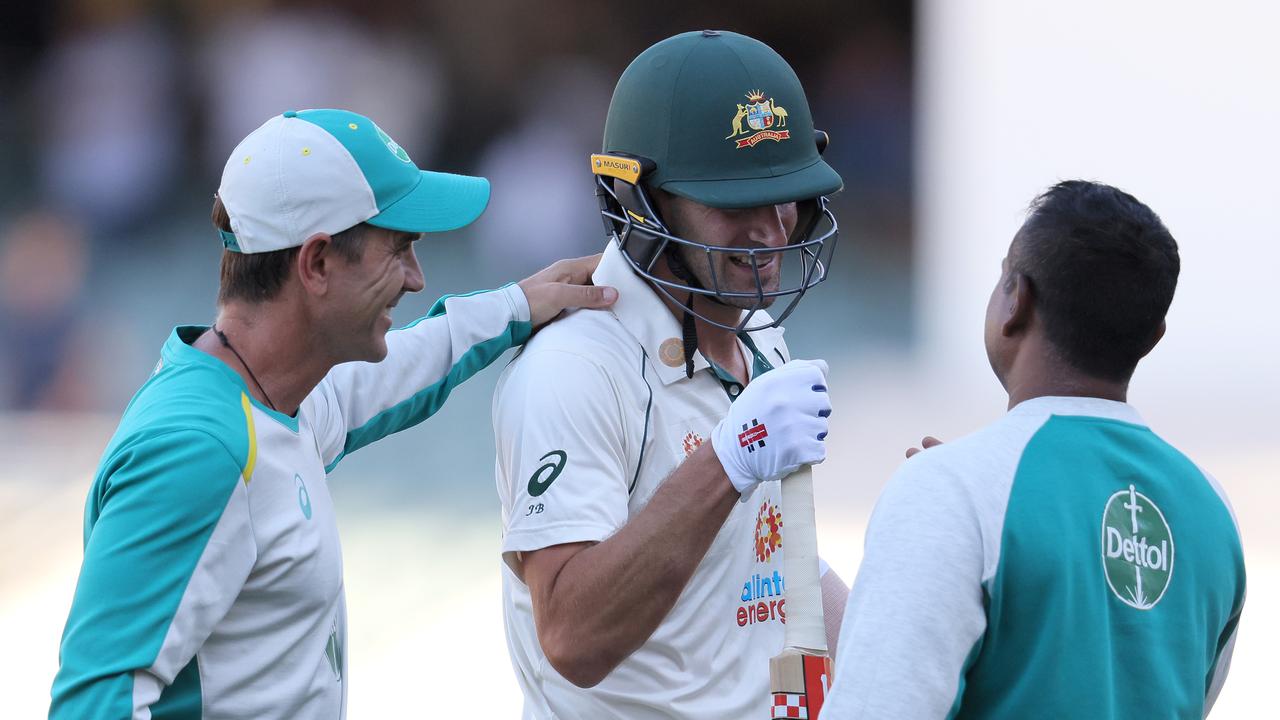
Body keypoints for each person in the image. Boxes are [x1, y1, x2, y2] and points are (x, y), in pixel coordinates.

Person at [49, 108, 616, 719]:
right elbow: (93, 704)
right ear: (316, 263)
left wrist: (517, 304)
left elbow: (396, 370)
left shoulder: (267, 394)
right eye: (398, 248)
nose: (417, 278)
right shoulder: (200, 448)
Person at [493, 31, 847, 718]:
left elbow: (767, 576)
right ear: (640, 202)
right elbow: (572, 637)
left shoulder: (759, 334)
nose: (772, 233)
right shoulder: (574, 370)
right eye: (734, 203)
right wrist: (729, 458)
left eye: (787, 197)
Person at [823, 181, 1246, 718]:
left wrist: (958, 502)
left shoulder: (949, 490)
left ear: (1015, 301)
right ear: (1154, 334)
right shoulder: (1212, 510)